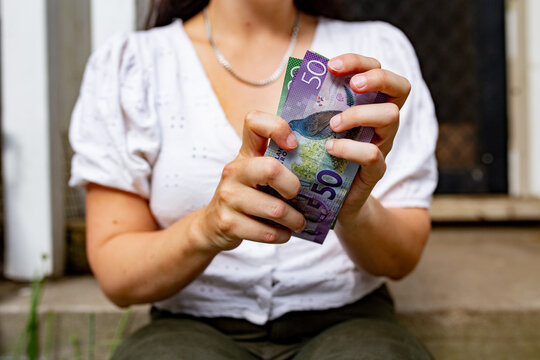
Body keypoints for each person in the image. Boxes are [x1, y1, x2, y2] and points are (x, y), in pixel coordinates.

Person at [69, 0, 438, 358]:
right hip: (188, 327)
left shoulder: (376, 54)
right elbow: (118, 278)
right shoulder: (133, 66)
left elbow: (400, 259)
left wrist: (355, 210)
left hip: (350, 321)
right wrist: (206, 228)